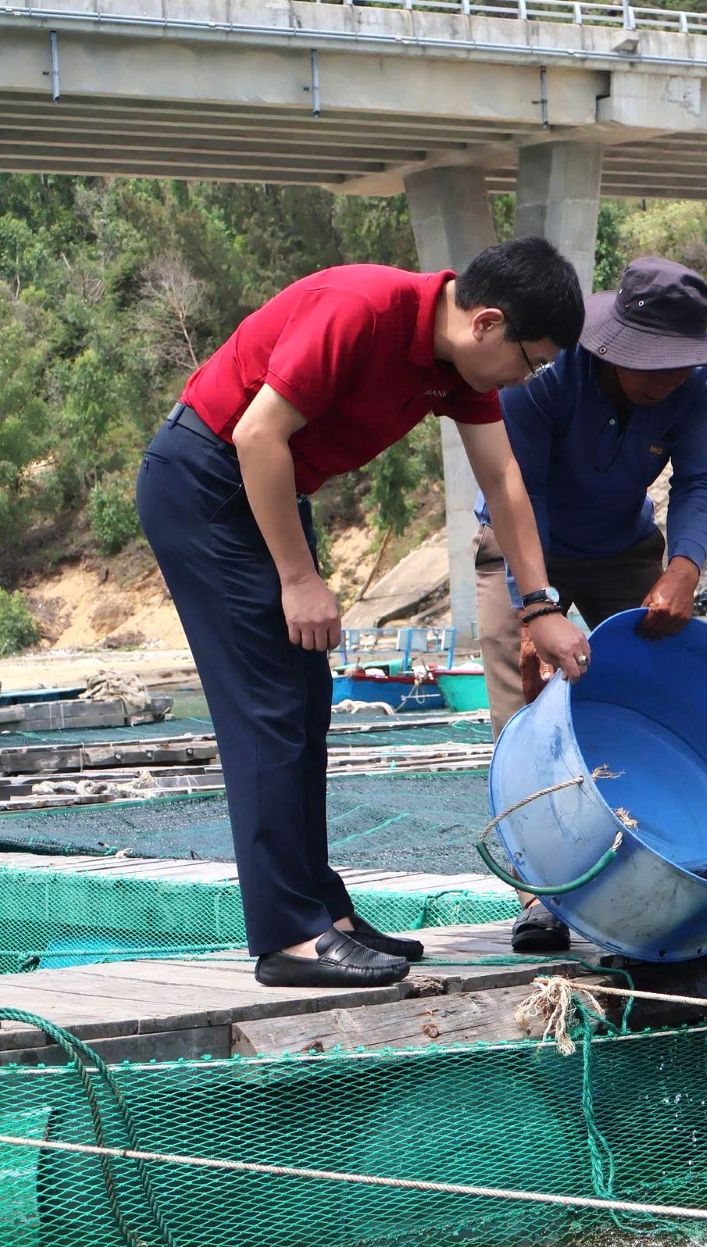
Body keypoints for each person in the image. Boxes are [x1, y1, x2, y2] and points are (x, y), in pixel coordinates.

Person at [136, 238, 589, 988]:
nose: (528, 377)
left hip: (268, 487)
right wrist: (298, 576)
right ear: (486, 323)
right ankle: (288, 938)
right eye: (530, 360)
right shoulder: (362, 310)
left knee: (306, 704)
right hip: (206, 482)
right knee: (268, 709)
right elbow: (256, 433)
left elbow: (504, 480)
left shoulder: (456, 372)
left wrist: (539, 604)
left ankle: (322, 911)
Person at [472, 258, 707, 953]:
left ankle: (676, 855)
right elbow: (517, 496)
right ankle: (541, 893)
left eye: (677, 364)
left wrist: (683, 567)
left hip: (622, 543)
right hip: (524, 541)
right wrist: (534, 608)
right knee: (522, 709)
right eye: (649, 365)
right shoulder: (543, 378)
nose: (665, 381)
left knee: (662, 688)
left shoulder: (698, 383)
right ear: (611, 345)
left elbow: (699, 479)